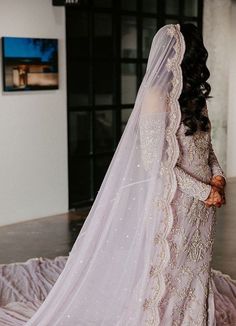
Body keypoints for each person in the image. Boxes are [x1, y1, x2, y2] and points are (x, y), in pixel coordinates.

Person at [0, 23, 235, 326]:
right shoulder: (155, 97)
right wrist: (204, 191)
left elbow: (207, 147)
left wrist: (217, 178)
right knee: (171, 270)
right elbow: (156, 163)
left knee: (196, 269)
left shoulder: (195, 98)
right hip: (179, 201)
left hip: (205, 206)